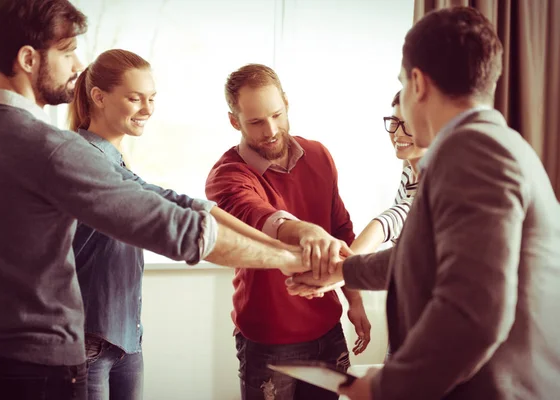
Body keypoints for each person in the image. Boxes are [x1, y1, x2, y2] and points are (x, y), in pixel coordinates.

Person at [0, 2, 310, 399]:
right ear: (27, 58)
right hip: (39, 369)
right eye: (68, 51)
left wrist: (284, 238)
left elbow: (172, 201)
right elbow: (175, 228)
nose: (77, 64)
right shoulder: (52, 149)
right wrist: (293, 259)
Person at [288, 6, 560, 400]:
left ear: (417, 83)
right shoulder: (490, 146)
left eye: (402, 82)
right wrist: (344, 271)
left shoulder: (473, 151)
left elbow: (475, 315)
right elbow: (420, 255)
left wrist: (386, 387)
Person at [205, 63, 371, 400]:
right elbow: (257, 214)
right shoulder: (227, 175)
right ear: (234, 121)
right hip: (268, 343)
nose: (270, 130)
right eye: (255, 121)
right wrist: (304, 230)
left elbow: (341, 229)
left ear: (286, 104)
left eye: (276, 115)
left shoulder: (319, 155)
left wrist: (355, 300)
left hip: (328, 331)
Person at [67, 49, 210, 400]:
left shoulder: (119, 162)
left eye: (151, 98)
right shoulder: (83, 157)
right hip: (89, 342)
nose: (147, 109)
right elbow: (170, 207)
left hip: (127, 338)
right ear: (98, 97)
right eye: (135, 98)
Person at [350, 90, 425, 255]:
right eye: (395, 121)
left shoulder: (433, 185)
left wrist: (343, 268)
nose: (398, 133)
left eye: (409, 124)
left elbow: (389, 222)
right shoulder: (409, 171)